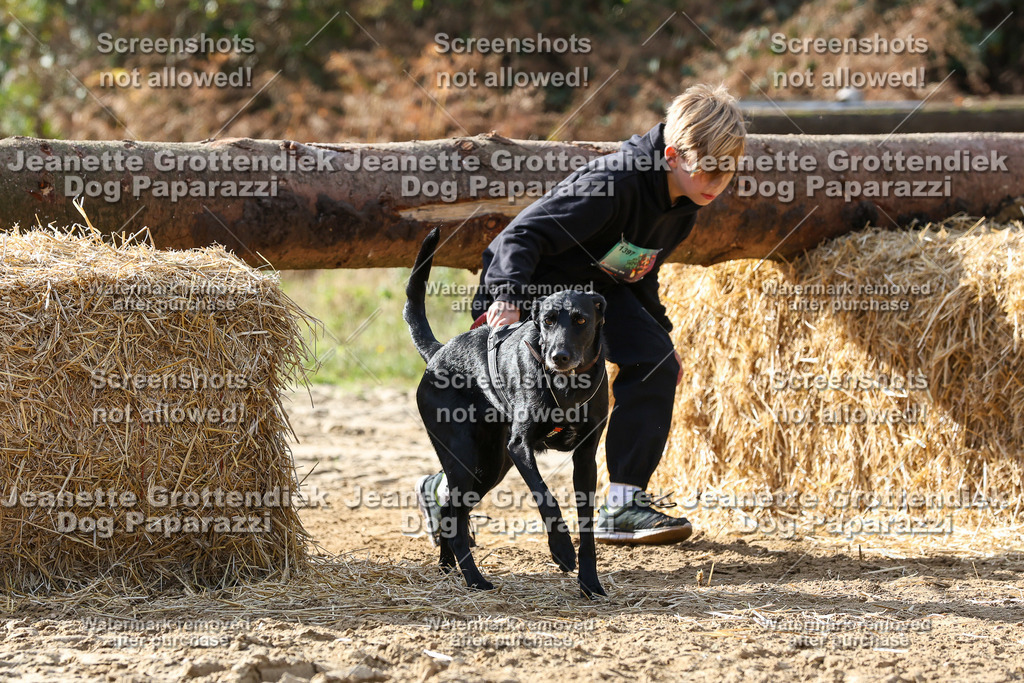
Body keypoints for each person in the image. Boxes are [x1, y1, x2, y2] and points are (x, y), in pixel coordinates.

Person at [416, 83, 747, 545]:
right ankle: (443, 489)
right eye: (710, 172)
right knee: (514, 432)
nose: (719, 184)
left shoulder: (686, 202)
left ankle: (623, 505)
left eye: (727, 173)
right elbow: (520, 238)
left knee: (656, 362)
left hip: (596, 296)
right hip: (532, 290)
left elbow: (637, 267)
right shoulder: (613, 183)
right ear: (672, 155)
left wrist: (658, 336)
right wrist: (507, 299)